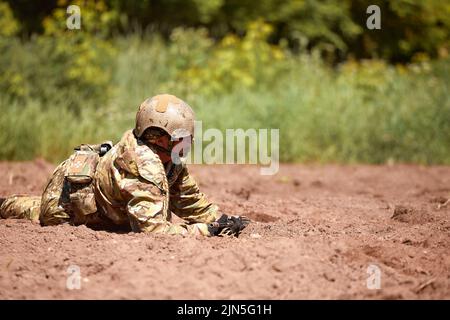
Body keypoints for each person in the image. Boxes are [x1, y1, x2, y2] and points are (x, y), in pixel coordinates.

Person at [0, 94, 249, 237]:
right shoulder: (143, 165)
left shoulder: (166, 158)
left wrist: (223, 219)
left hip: (107, 207)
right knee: (31, 211)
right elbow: (152, 230)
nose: (188, 141)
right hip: (67, 208)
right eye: (181, 136)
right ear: (160, 137)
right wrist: (207, 231)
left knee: (25, 204)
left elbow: (188, 200)